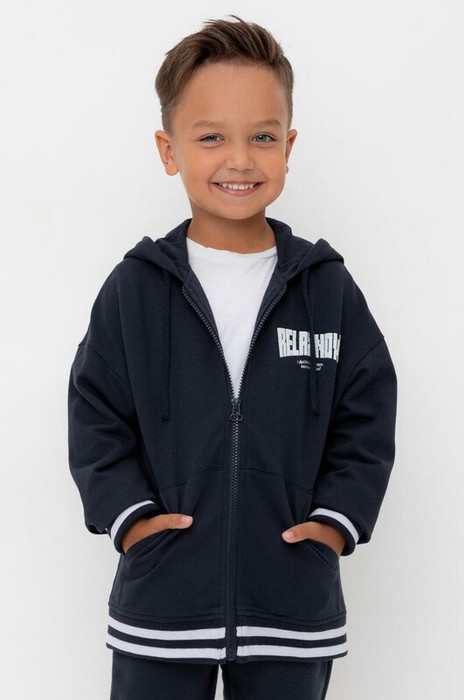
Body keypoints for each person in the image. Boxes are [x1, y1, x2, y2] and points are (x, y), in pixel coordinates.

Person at [67, 15, 397, 700]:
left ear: (289, 147)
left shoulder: (326, 289)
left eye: (263, 137)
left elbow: (366, 417)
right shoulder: (135, 288)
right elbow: (95, 415)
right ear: (169, 150)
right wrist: (132, 521)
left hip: (292, 603)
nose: (240, 159)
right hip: (162, 602)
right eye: (212, 137)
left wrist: (334, 526)